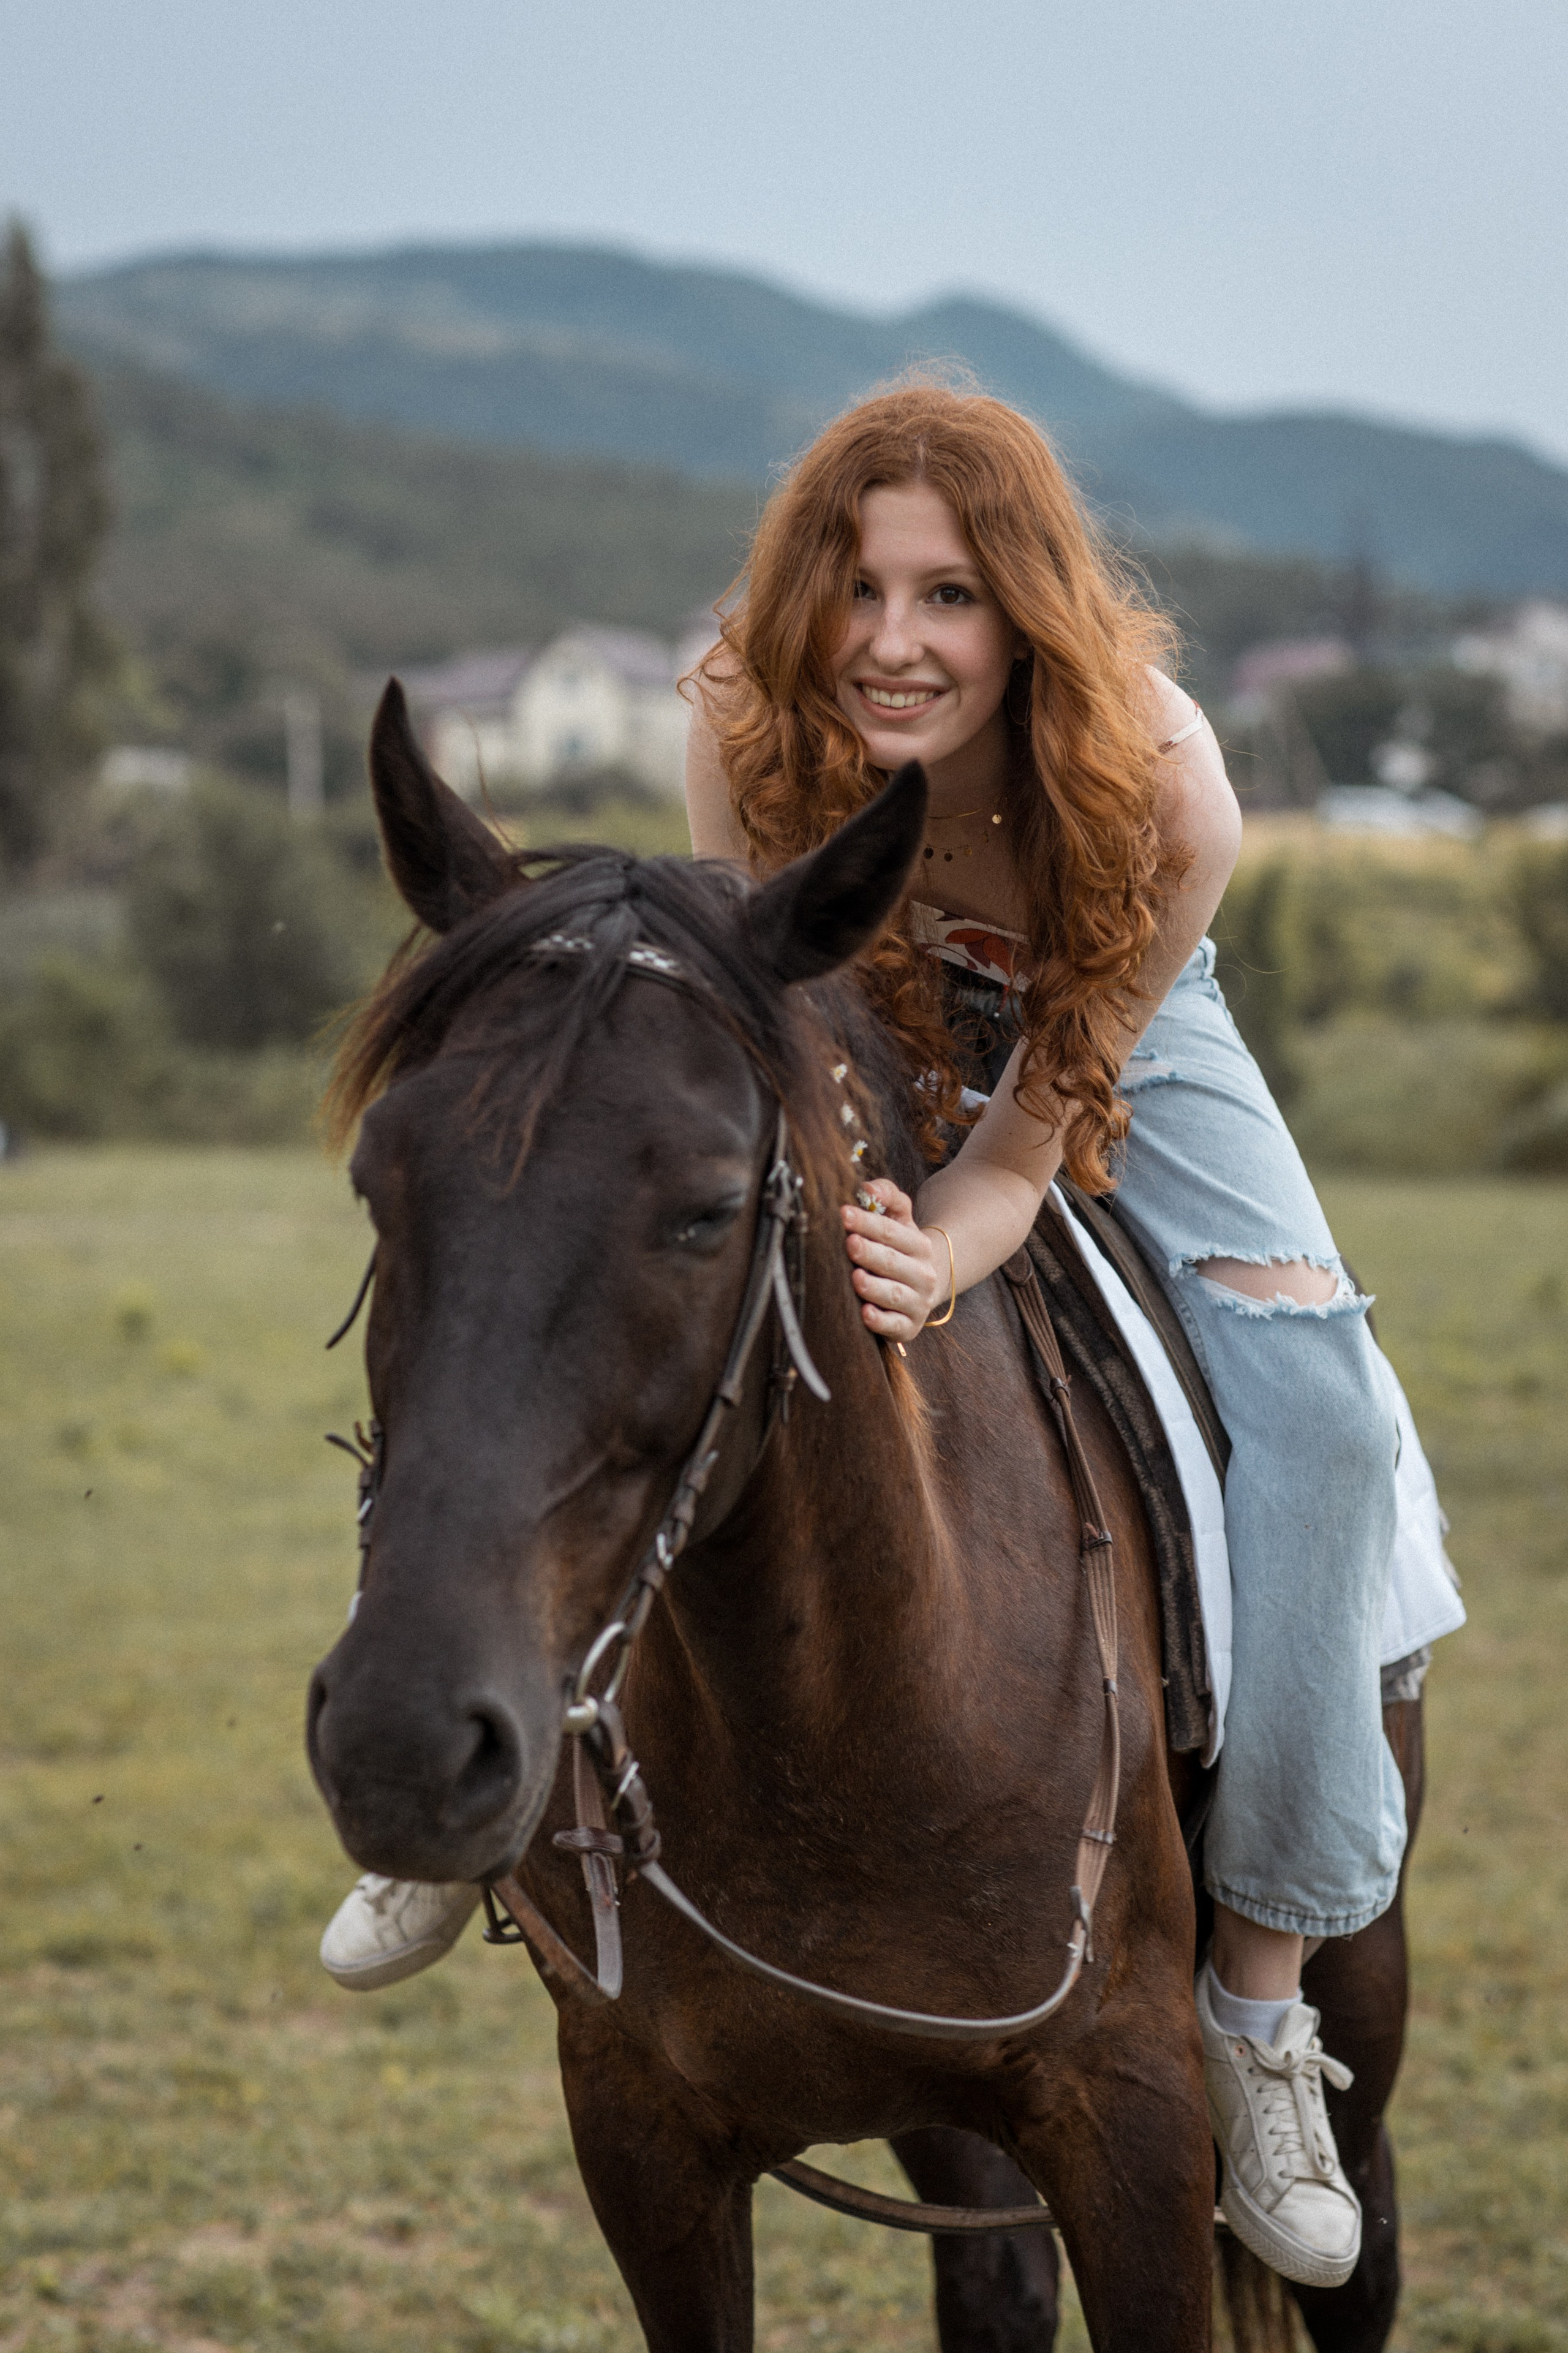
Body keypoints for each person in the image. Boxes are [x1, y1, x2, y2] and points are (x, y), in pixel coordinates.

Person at [321, 384, 1434, 2292]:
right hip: (863, 1030)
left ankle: (1256, 1999)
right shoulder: (739, 733)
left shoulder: (1165, 789)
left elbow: (1043, 1125)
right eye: (859, 590)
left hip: (1116, 1048)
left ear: (1025, 614)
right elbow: (736, 1031)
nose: (897, 642)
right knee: (567, 1282)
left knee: (1322, 1408)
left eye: (949, 595)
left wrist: (950, 1244)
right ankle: (457, 1794)